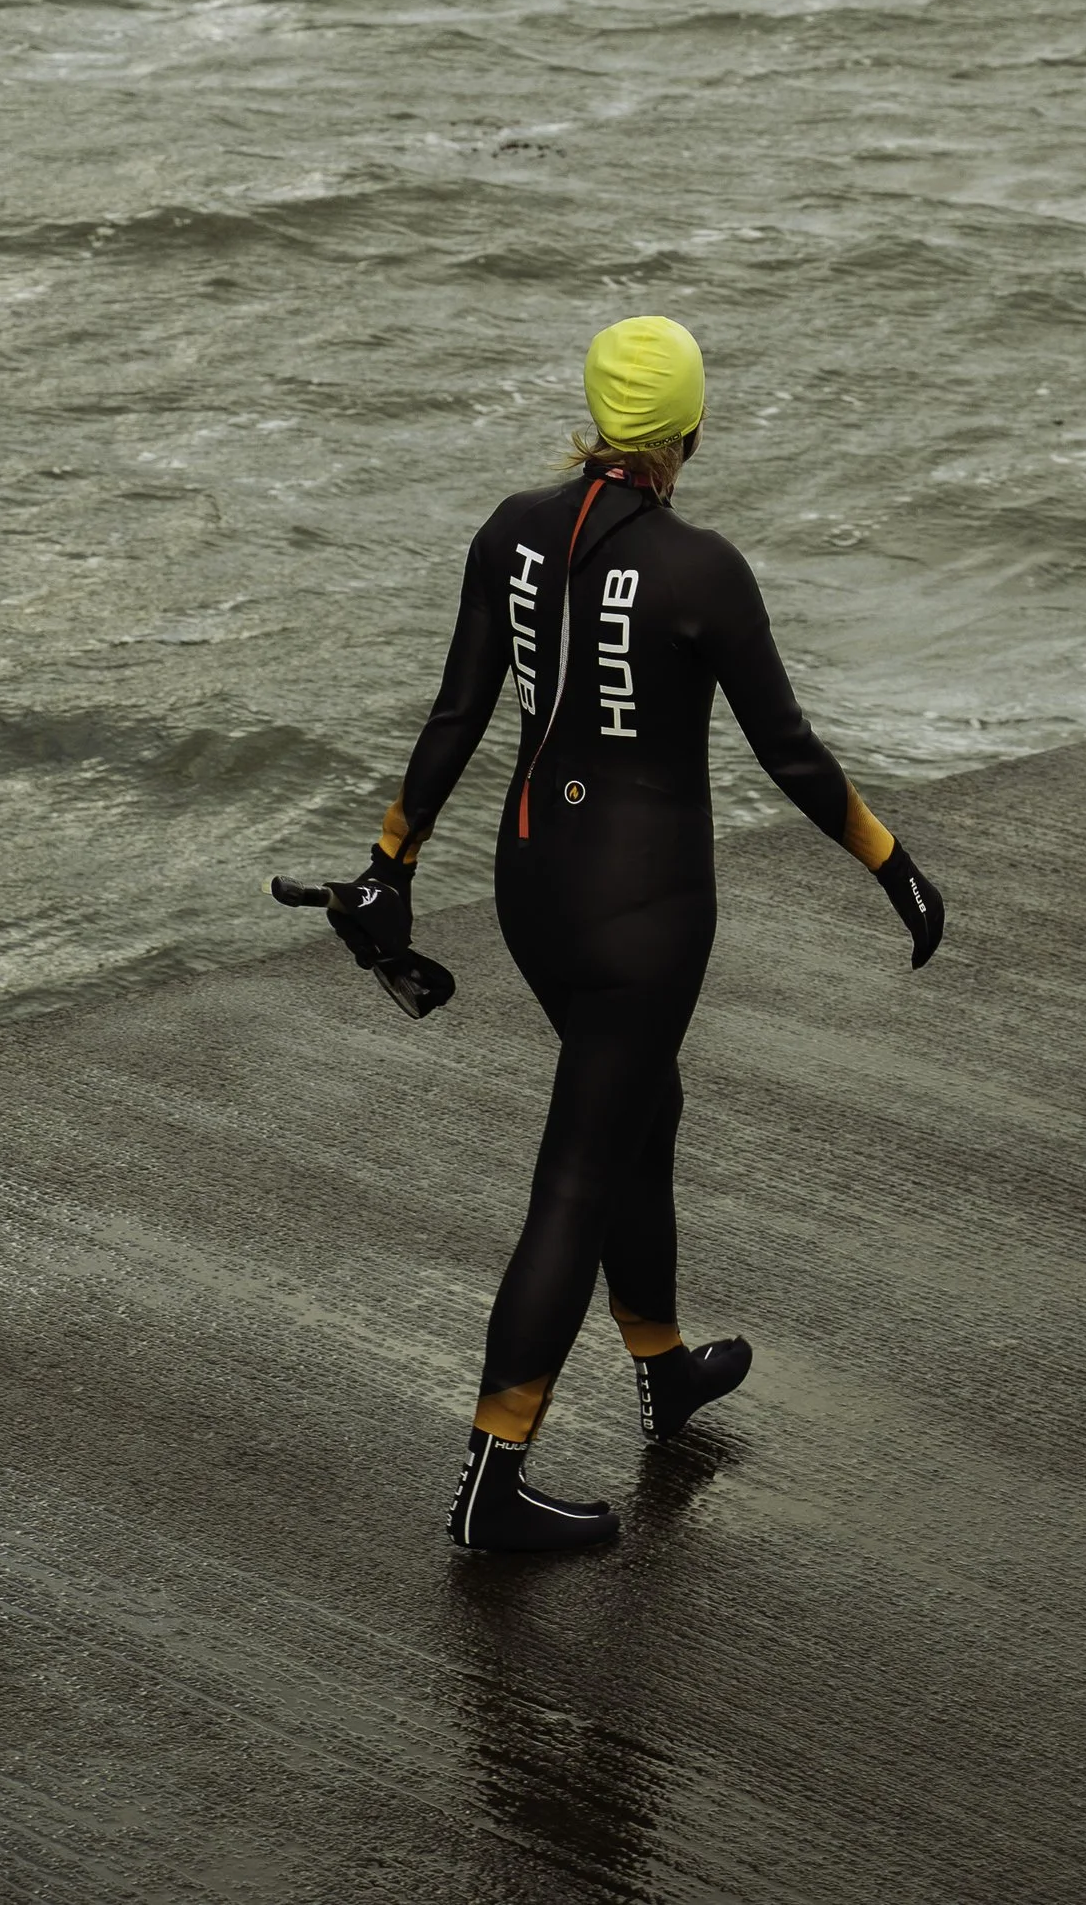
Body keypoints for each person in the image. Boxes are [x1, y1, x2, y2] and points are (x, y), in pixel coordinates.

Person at [318, 314, 945, 1555]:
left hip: (532, 890)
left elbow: (455, 714)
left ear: (597, 416)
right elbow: (790, 754)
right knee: (579, 1173)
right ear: (689, 430)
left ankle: (661, 1369)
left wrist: (390, 862)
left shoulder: (510, 530)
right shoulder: (701, 569)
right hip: (643, 915)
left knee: (640, 1107)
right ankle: (492, 1479)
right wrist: (896, 866)